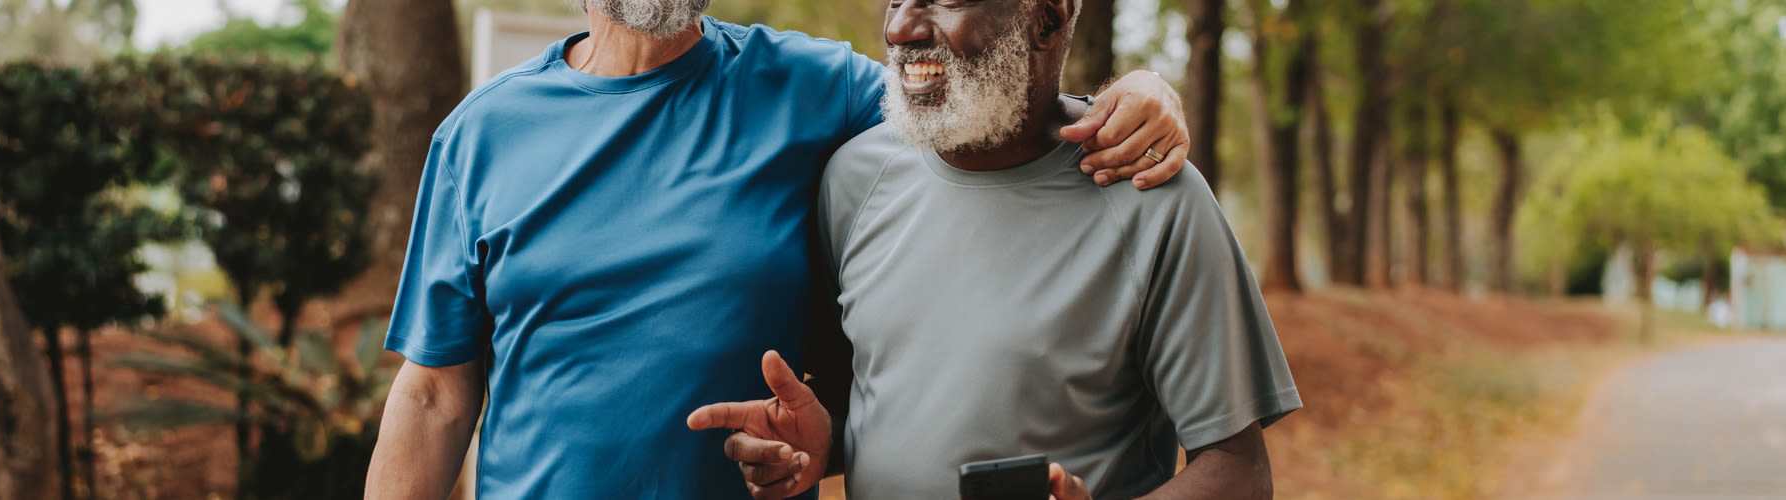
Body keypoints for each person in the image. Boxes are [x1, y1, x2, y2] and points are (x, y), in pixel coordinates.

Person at [361, 0, 1198, 497]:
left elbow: (992, 98)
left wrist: (1138, 91)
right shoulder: (482, 135)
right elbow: (434, 395)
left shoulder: (810, 87)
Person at [686, 0, 1301, 498]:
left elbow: (1238, 469)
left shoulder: (1152, 196)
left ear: (1047, 19)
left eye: (946, 0)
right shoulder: (854, 178)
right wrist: (815, 444)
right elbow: (870, 395)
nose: (900, 27)